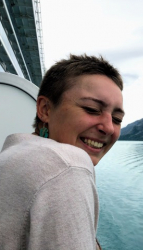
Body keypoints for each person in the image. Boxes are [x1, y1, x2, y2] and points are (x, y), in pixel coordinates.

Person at [0, 54, 124, 250]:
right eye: (91, 109)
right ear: (45, 109)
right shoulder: (67, 166)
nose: (109, 128)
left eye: (117, 119)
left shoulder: (14, 152)